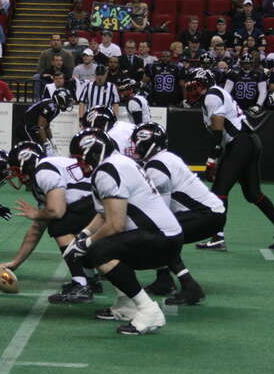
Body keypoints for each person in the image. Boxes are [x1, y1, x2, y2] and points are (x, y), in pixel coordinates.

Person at [65, 128, 195, 335]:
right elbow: (104, 213)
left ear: (93, 152)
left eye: (81, 158)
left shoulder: (108, 170)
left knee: (98, 252)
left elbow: (115, 223)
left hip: (160, 238)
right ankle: (126, 305)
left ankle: (148, 309)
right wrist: (82, 235)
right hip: (163, 235)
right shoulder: (119, 163)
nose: (80, 164)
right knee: (95, 251)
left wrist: (87, 244)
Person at [182, 68, 274, 252]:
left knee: (219, 192)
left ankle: (218, 237)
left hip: (240, 143)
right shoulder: (215, 94)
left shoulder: (211, 95)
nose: (193, 90)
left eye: (197, 86)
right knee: (253, 194)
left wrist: (213, 156)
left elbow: (218, 124)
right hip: (249, 142)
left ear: (205, 84)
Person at [133, 123, 226, 302]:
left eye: (138, 141)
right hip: (210, 212)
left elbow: (161, 210)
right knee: (161, 233)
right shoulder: (165, 157)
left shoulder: (156, 165)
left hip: (205, 214)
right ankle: (164, 280)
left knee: (161, 234)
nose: (135, 147)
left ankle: (189, 286)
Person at [1, 141, 101, 303]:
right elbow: (36, 229)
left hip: (99, 202)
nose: (17, 176)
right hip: (93, 201)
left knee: (58, 225)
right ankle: (89, 278)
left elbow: (56, 211)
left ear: (25, 163)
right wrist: (16, 262)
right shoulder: (44, 172)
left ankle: (81, 284)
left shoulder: (43, 172)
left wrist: (36, 213)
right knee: (60, 222)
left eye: (16, 170)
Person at [21, 88, 73, 154]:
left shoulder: (56, 109)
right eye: (67, 100)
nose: (68, 103)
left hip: (34, 127)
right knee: (38, 150)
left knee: (42, 150)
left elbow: (46, 126)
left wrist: (52, 141)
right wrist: (47, 145)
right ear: (60, 99)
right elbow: (41, 126)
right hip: (26, 126)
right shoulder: (50, 106)